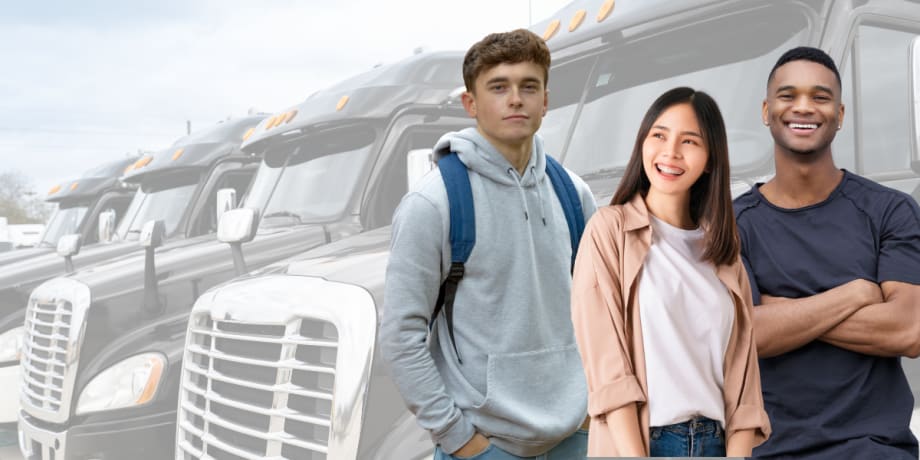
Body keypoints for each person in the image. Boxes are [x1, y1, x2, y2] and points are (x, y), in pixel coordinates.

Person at [380, 29, 597, 460]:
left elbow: (600, 313)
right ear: (471, 103)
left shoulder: (574, 194)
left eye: (528, 86)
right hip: (486, 445)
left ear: (545, 101)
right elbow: (401, 336)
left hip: (575, 438)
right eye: (499, 87)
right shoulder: (434, 202)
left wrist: (591, 410)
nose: (515, 99)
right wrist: (459, 439)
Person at [734, 46, 920, 459]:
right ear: (767, 111)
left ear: (840, 114)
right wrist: (854, 293)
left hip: (874, 450)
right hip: (769, 451)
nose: (804, 107)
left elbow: (907, 331)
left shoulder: (890, 211)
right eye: (788, 95)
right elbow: (743, 336)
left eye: (820, 97)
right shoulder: (732, 225)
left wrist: (781, 310)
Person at [571, 87, 771, 457]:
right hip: (645, 443)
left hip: (716, 443)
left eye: (689, 141)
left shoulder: (725, 255)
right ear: (642, 143)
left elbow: (744, 383)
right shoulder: (609, 231)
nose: (671, 152)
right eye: (659, 135)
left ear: (711, 159)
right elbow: (607, 367)